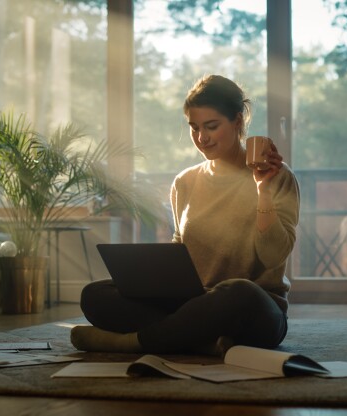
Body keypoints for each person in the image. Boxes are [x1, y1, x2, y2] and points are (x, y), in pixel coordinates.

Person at [70, 74, 300, 356]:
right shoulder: (185, 182)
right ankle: (200, 340)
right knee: (95, 295)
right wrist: (154, 280)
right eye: (194, 128)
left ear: (238, 121)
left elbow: (272, 256)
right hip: (192, 302)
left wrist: (262, 190)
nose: (201, 138)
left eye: (211, 126)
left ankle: (135, 342)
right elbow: (180, 250)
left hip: (253, 309)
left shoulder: (278, 178)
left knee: (239, 292)